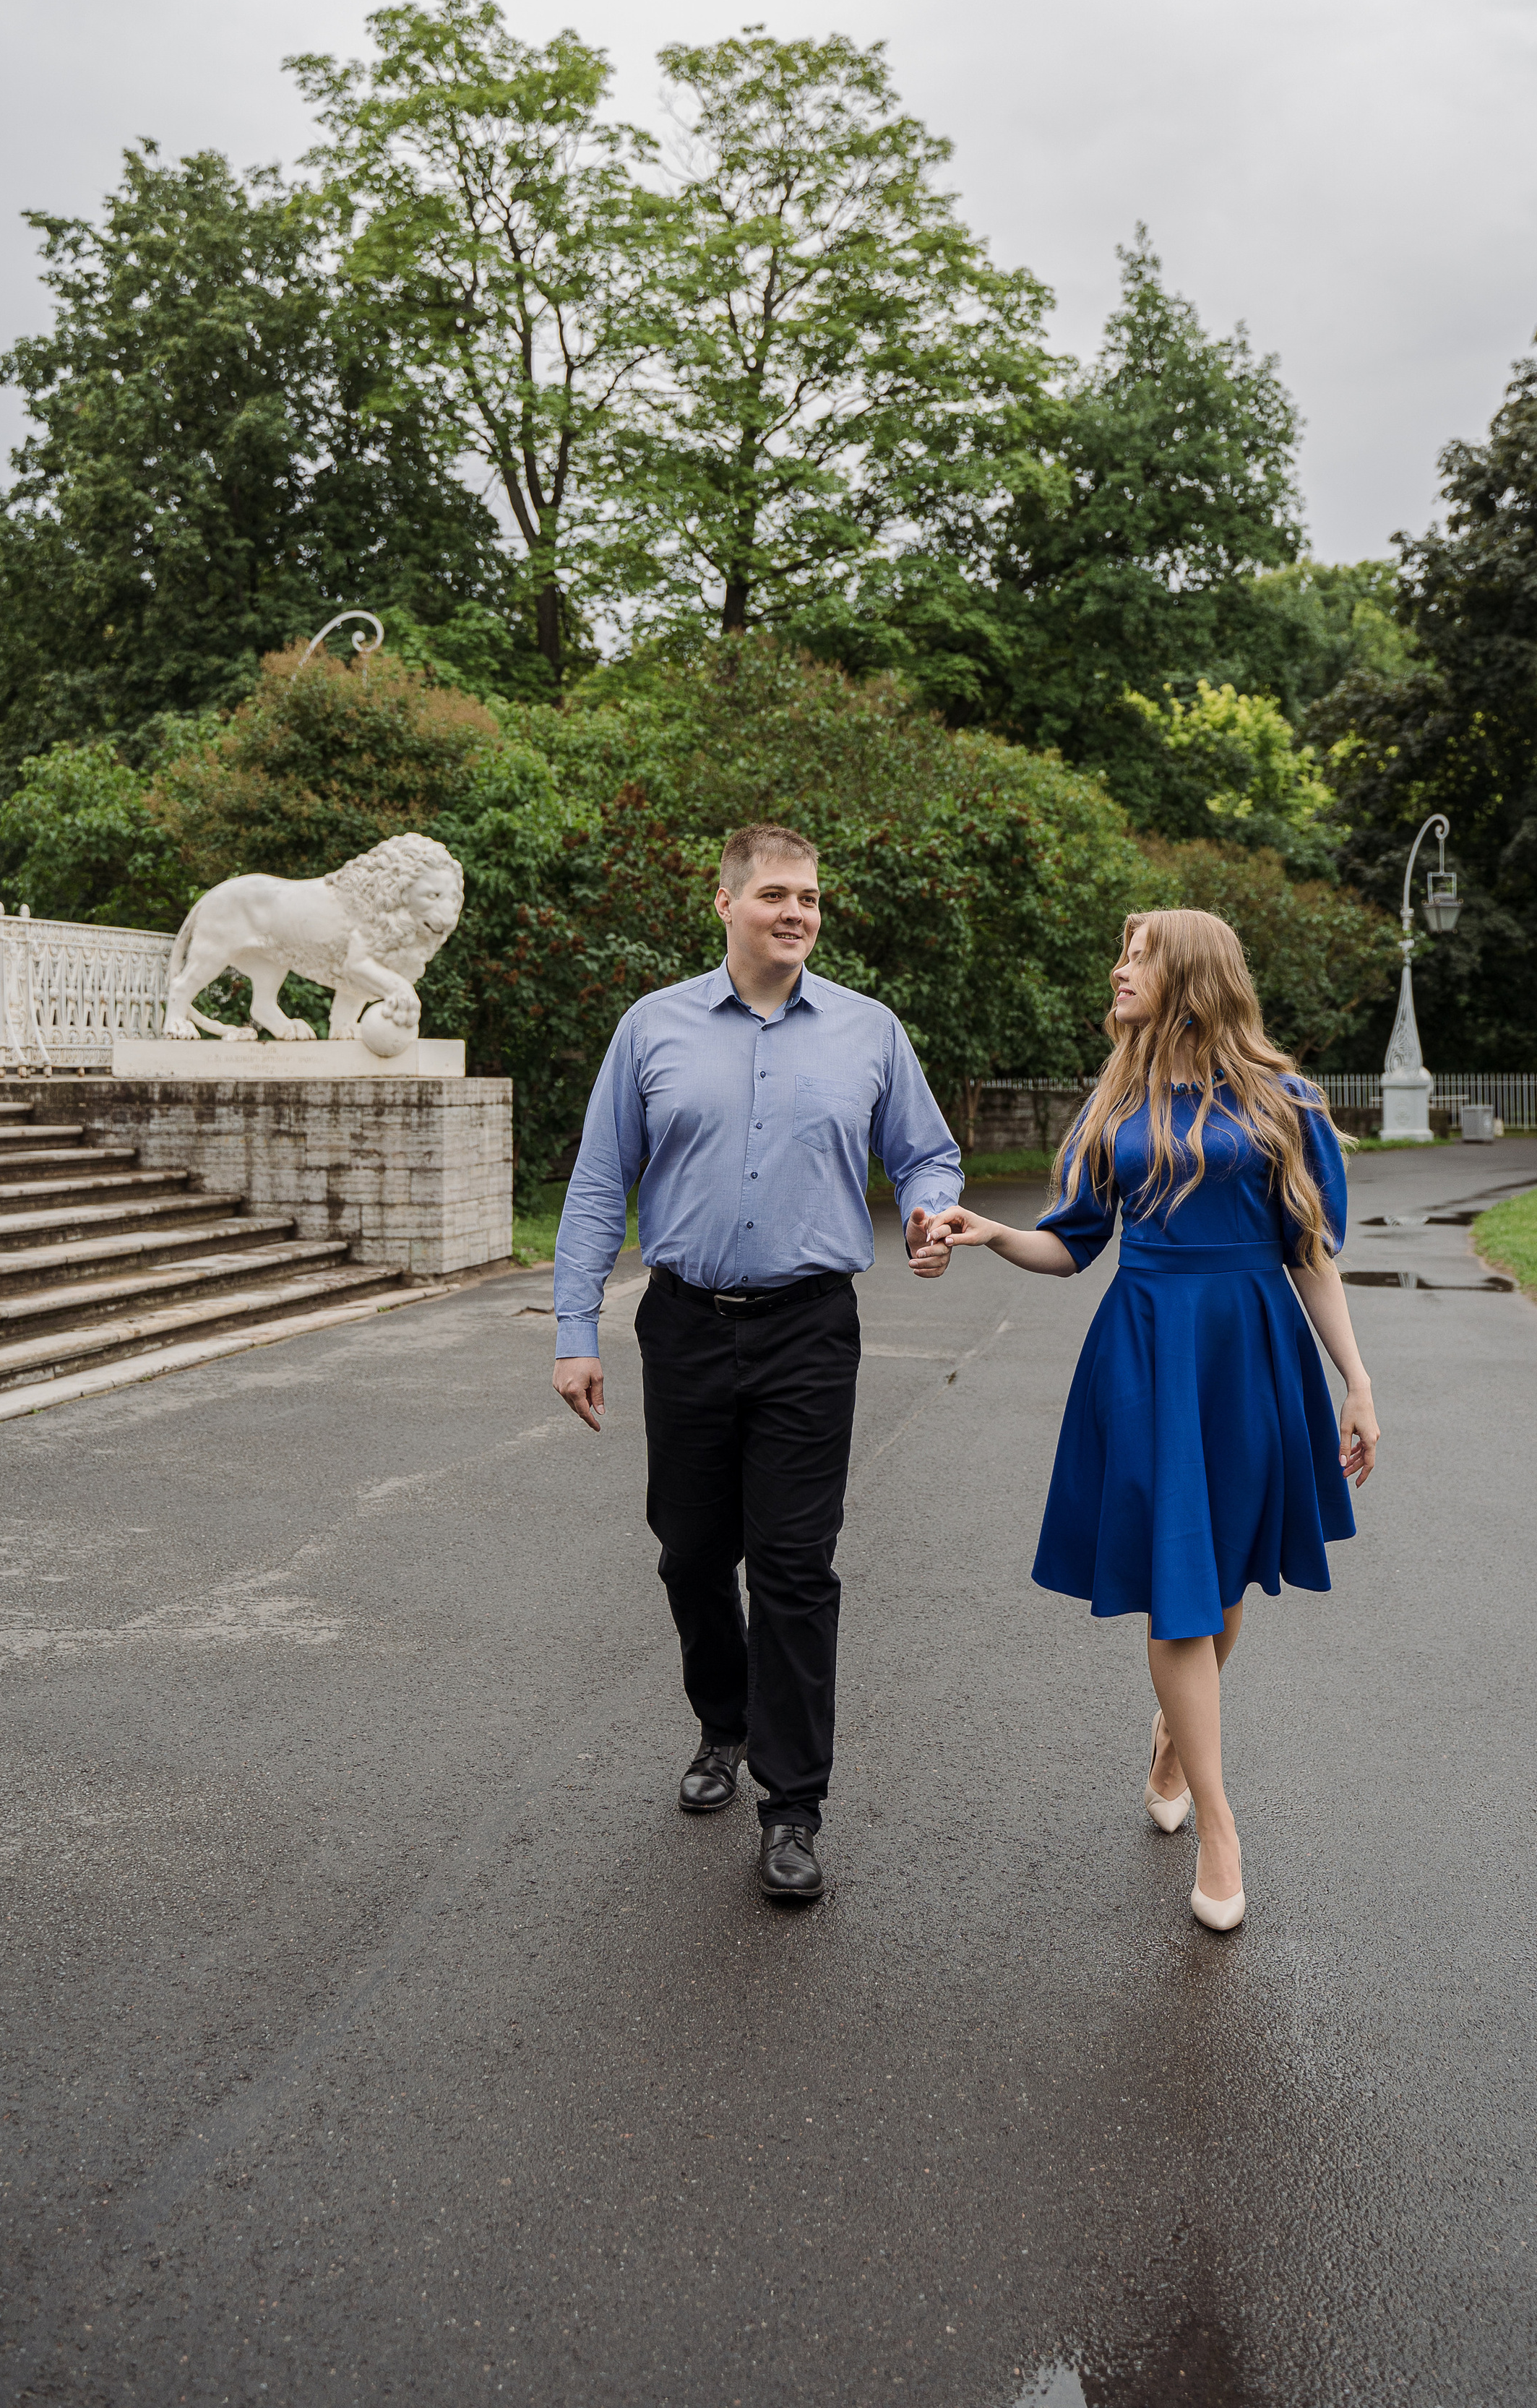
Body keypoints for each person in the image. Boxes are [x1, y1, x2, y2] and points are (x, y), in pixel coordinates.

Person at [930, 908, 1377, 1933]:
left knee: (1223, 1581)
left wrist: (1356, 1381)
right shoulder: (1116, 1102)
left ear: (1194, 976)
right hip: (1145, 1353)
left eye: (1140, 958)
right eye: (1122, 955)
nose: (1120, 971)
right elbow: (1071, 1246)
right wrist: (992, 1232)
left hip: (1251, 1351)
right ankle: (1221, 1828)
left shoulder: (1283, 1102)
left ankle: (1177, 1742)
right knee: (1180, 1587)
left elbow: (1311, 1253)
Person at [551, 822, 962, 1904]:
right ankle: (722, 1722)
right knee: (691, 1555)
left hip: (810, 1329)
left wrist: (930, 1212)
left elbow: (927, 1152)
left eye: (810, 898)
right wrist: (574, 1329)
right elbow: (599, 1181)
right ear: (724, 902)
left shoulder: (869, 1031)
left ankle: (792, 1808)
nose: (797, 912)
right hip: (684, 1324)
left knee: (793, 1565)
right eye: (776, 894)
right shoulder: (653, 1028)